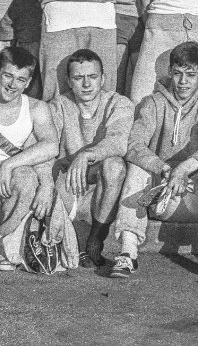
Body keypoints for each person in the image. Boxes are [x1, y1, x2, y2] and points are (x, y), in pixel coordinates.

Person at [112, 42, 198, 278]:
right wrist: (165, 169)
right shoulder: (153, 102)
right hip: (160, 197)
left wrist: (185, 169)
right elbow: (134, 145)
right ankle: (127, 252)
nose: (183, 82)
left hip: (197, 199)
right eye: (177, 74)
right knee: (137, 167)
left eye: (191, 75)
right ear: (169, 72)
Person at [48, 49, 133, 268]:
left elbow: (118, 141)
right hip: (69, 183)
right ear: (69, 81)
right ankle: (70, 241)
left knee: (115, 165)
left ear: (103, 78)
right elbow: (49, 148)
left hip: (103, 189)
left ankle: (96, 239)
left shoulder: (118, 103)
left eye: (92, 77)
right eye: (78, 78)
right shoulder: (58, 105)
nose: (86, 84)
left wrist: (86, 155)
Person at [0, 46, 58, 271]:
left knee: (25, 176)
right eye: (8, 76)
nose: (13, 85)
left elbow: (51, 145)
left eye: (21, 79)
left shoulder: (36, 107)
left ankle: (4, 238)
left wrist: (9, 164)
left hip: (9, 187)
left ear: (29, 82)